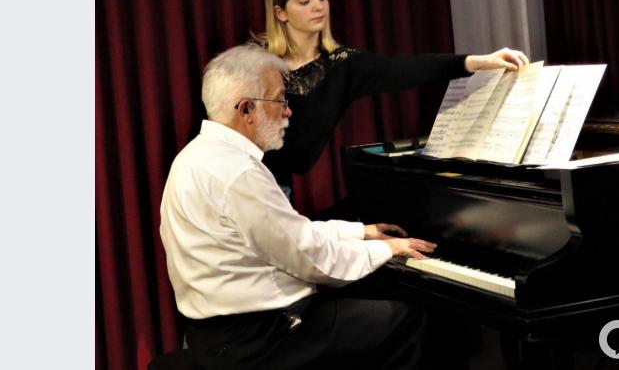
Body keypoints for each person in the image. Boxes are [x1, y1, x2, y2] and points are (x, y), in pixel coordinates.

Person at [160, 44, 438, 370]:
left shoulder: (195, 156)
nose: (288, 111)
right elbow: (311, 260)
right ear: (246, 109)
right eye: (280, 99)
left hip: (218, 335)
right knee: (406, 319)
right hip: (260, 341)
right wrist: (388, 250)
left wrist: (361, 232)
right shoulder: (239, 172)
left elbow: (289, 233)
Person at [255, 0, 530, 193]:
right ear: (280, 12)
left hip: (278, 188)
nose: (319, 7)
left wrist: (477, 62)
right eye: (305, 1)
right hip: (236, 180)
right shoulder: (253, 61)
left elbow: (406, 69)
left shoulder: (342, 65)